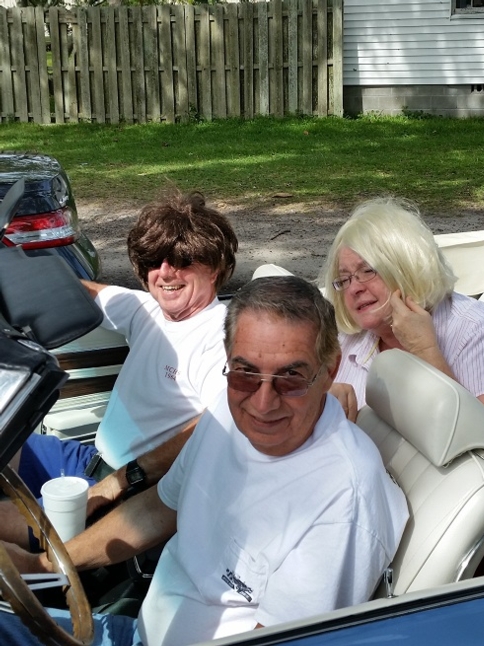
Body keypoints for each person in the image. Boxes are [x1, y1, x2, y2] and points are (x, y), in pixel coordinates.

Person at [0, 275, 409, 646]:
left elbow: (277, 640)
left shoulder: (343, 500)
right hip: (137, 632)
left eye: (290, 378)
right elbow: (158, 509)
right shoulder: (225, 414)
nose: (262, 403)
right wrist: (45, 565)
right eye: (245, 373)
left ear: (330, 370)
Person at [0, 190, 238, 548]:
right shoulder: (148, 310)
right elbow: (80, 292)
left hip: (128, 494)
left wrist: (123, 480)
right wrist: (13, 271)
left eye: (183, 260)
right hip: (87, 462)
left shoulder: (218, 337)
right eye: (154, 261)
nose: (165, 272)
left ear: (216, 267)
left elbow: (216, 425)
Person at [320, 197, 484, 525]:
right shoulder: (348, 339)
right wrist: (323, 411)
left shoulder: (481, 330)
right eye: (344, 279)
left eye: (367, 271)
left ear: (405, 264)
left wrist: (424, 350)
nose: (354, 289)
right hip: (399, 520)